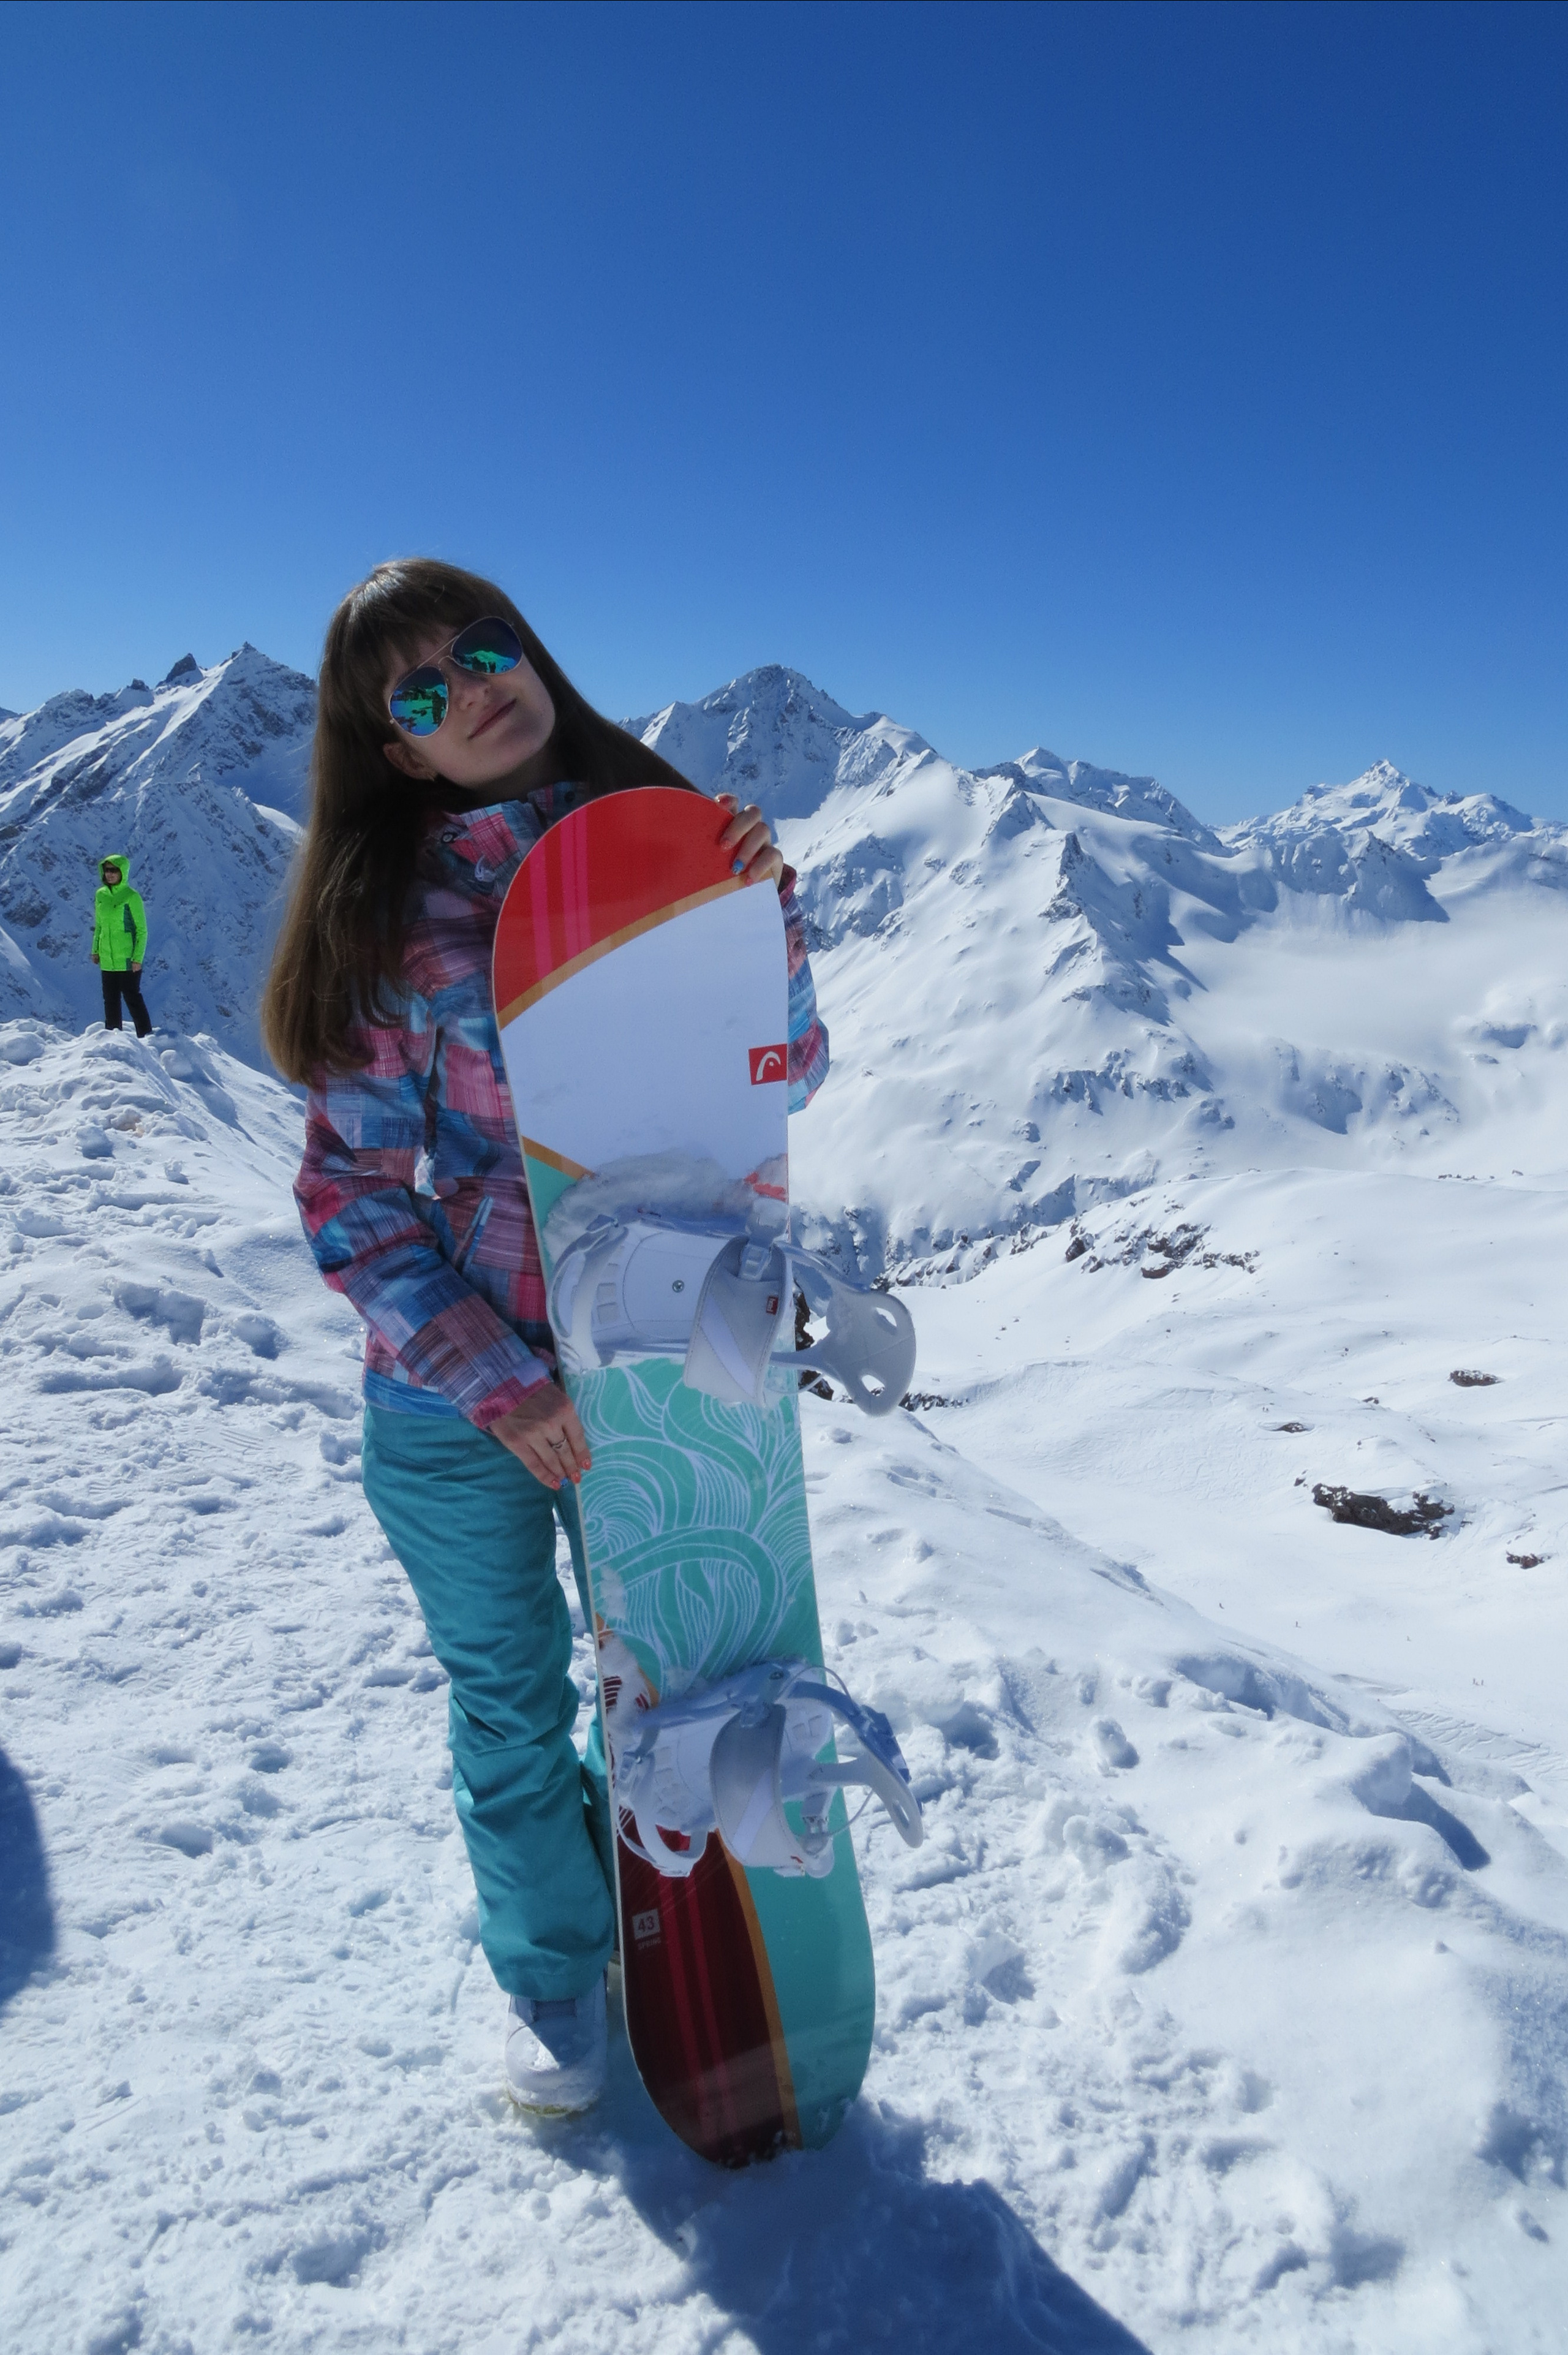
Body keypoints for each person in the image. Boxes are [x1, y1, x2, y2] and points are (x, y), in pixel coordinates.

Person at [261, 559, 828, 2117]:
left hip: (650, 1375)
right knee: (512, 1703)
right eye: (420, 690)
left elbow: (779, 1077)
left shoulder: (665, 848)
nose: (471, 687)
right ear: (395, 751)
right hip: (457, 1411)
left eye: (484, 647)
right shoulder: (394, 927)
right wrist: (498, 1381)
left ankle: (697, 1926)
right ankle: (555, 1966)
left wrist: (759, 920)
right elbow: (348, 1195)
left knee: (680, 1670)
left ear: (532, 653)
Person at [91, 855, 153, 1037]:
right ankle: (113, 1037)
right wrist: (95, 950)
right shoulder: (100, 895)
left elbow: (142, 930)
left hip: (127, 959)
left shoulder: (131, 897)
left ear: (122, 872)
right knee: (110, 1000)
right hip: (107, 957)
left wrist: (137, 958)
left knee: (132, 998)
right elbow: (99, 926)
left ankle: (146, 1036)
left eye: (114, 870)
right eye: (107, 870)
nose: (109, 874)